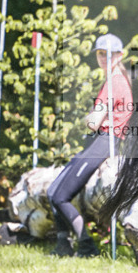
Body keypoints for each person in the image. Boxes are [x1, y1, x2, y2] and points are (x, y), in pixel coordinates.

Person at [48, 34, 133, 255]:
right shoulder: (117, 78)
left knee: (59, 195)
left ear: (120, 55)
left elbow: (93, 122)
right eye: (101, 54)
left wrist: (91, 118)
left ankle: (86, 246)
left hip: (106, 142)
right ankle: (63, 245)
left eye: (109, 54)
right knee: (51, 190)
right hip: (102, 141)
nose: (104, 58)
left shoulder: (114, 82)